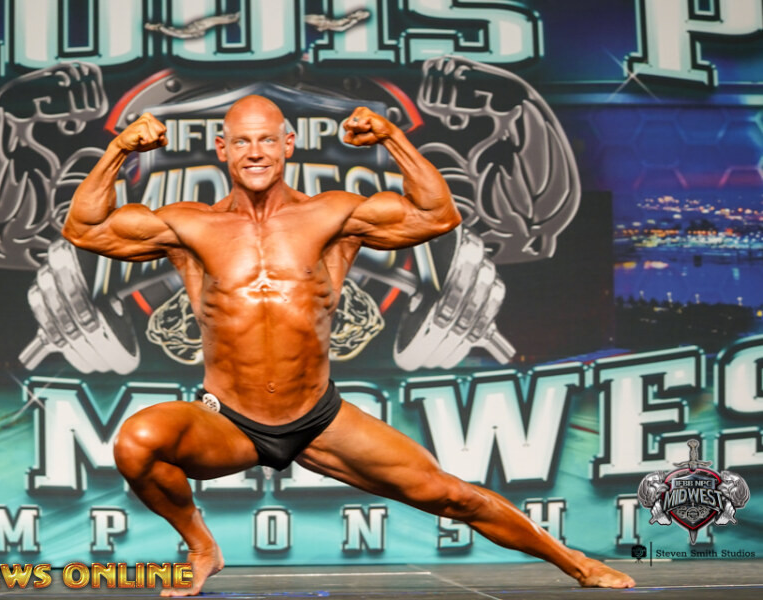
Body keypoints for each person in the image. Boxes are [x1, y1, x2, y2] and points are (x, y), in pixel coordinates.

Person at [62, 95, 635, 596]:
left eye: (267, 140)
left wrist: (392, 137)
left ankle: (576, 563)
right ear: (222, 148)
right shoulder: (188, 225)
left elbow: (437, 215)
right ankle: (201, 546)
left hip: (317, 417)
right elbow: (84, 228)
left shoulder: (332, 214)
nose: (255, 153)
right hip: (229, 420)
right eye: (242, 142)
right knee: (138, 442)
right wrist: (118, 150)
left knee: (450, 496)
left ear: (288, 144)